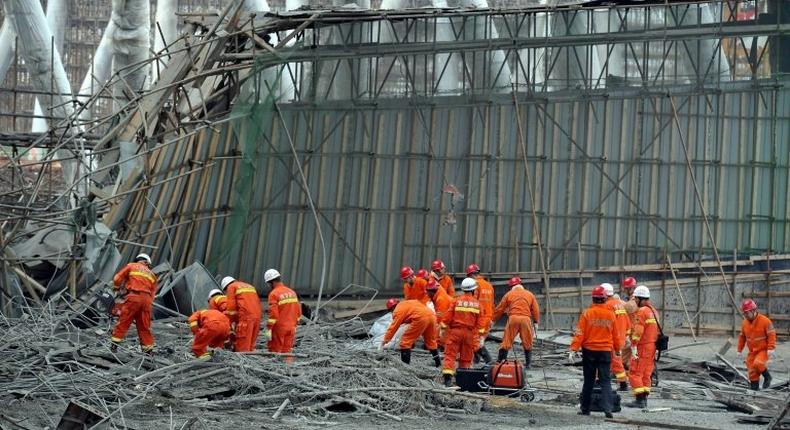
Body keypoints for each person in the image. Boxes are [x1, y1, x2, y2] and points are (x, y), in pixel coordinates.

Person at [569, 285, 622, 418]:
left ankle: (585, 409)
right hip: (605, 352)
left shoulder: (587, 313)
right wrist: (618, 349)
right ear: (605, 299)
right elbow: (616, 335)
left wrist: (573, 349)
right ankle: (608, 409)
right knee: (605, 381)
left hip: (589, 351)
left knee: (589, 381)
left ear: (593, 299)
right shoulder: (611, 315)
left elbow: (579, 333)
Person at [441, 277, 486, 387]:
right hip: (469, 335)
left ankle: (447, 381)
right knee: (466, 358)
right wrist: (480, 337)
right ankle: (463, 381)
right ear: (473, 290)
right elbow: (481, 324)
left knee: (450, 355)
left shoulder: (456, 301)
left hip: (455, 332)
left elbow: (447, 316)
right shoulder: (477, 304)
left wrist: (442, 328)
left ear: (463, 289)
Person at [110, 253, 158, 354]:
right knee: (144, 325)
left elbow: (117, 278)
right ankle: (148, 351)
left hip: (134, 297)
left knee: (124, 320)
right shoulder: (152, 275)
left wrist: (116, 288)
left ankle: (114, 346)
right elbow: (153, 292)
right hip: (147, 301)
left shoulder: (131, 266)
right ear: (147, 263)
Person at [492, 276, 540, 369]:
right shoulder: (530, 294)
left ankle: (500, 362)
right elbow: (536, 309)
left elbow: (500, 308)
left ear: (511, 286)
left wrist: (493, 320)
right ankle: (528, 364)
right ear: (520, 284)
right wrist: (536, 322)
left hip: (513, 319)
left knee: (506, 341)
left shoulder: (509, 294)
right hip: (525, 320)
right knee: (528, 342)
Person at [381, 299, 441, 366]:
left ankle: (405, 366)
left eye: (390, 311)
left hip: (420, 318)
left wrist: (386, 340)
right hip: (431, 316)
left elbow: (393, 327)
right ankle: (438, 363)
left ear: (392, 308)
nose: (392, 313)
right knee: (431, 341)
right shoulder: (407, 303)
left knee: (405, 342)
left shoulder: (397, 311)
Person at [626, 286, 658, 408]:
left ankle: (639, 400)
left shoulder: (642, 311)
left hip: (643, 346)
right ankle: (644, 399)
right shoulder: (653, 310)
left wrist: (633, 345)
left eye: (635, 299)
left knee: (634, 372)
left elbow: (638, 330)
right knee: (646, 373)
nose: (635, 302)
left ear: (640, 298)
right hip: (652, 346)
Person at [737, 299, 776, 390]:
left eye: (747, 313)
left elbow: (772, 334)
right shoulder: (744, 323)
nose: (745, 315)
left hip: (763, 350)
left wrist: (771, 348)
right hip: (752, 352)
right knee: (752, 371)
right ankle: (754, 391)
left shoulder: (765, 321)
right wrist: (739, 350)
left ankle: (767, 377)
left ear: (754, 310)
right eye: (744, 313)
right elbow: (742, 337)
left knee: (758, 364)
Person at [264, 269, 302, 355]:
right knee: (287, 352)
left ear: (271, 282)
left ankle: (276, 368)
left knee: (275, 352)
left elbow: (273, 315)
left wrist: (269, 328)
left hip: (279, 328)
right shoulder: (292, 292)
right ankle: (287, 367)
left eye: (268, 284)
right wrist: (294, 324)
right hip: (291, 328)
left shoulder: (273, 294)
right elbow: (299, 312)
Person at [221, 276, 262, 352]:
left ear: (226, 287)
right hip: (257, 318)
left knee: (242, 349)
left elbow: (231, 311)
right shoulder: (250, 286)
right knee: (250, 347)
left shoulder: (231, 287)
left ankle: (243, 363)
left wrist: (226, 322)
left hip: (246, 319)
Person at [603, 283, 631, 391]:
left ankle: (623, 384)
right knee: (614, 361)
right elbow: (627, 324)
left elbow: (606, 324)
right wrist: (626, 336)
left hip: (611, 339)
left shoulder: (607, 306)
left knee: (611, 361)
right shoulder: (619, 304)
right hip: (620, 339)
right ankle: (622, 383)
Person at [467, 263, 494, 364]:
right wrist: (492, 318)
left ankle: (489, 360)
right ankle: (476, 359)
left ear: (472, 275)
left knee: (475, 340)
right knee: (478, 339)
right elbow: (492, 303)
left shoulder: (475, 285)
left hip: (479, 318)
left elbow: (473, 302)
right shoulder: (489, 285)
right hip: (488, 317)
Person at [426, 279, 452, 347]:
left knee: (441, 327)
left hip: (451, 317)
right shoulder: (436, 294)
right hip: (449, 314)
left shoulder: (440, 299)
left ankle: (442, 343)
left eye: (427, 291)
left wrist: (435, 339)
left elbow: (441, 319)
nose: (426, 293)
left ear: (431, 292)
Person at [620, 276, 638, 364]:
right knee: (626, 353)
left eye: (626, 289)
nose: (624, 291)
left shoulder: (635, 298)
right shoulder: (632, 298)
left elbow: (630, 307)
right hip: (631, 330)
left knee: (631, 353)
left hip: (635, 331)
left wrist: (617, 303)